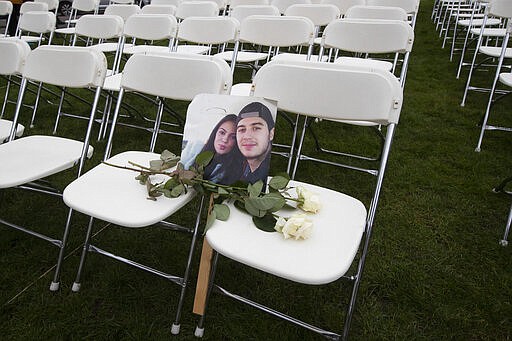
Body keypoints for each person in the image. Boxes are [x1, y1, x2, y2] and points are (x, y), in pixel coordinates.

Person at [235, 102, 275, 184]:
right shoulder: (234, 165)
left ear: (271, 134)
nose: (247, 136)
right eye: (242, 130)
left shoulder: (271, 178)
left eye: (256, 128)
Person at [198, 114, 243, 185]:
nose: (225, 140)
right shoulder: (195, 150)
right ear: (215, 133)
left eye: (233, 137)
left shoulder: (234, 170)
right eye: (222, 132)